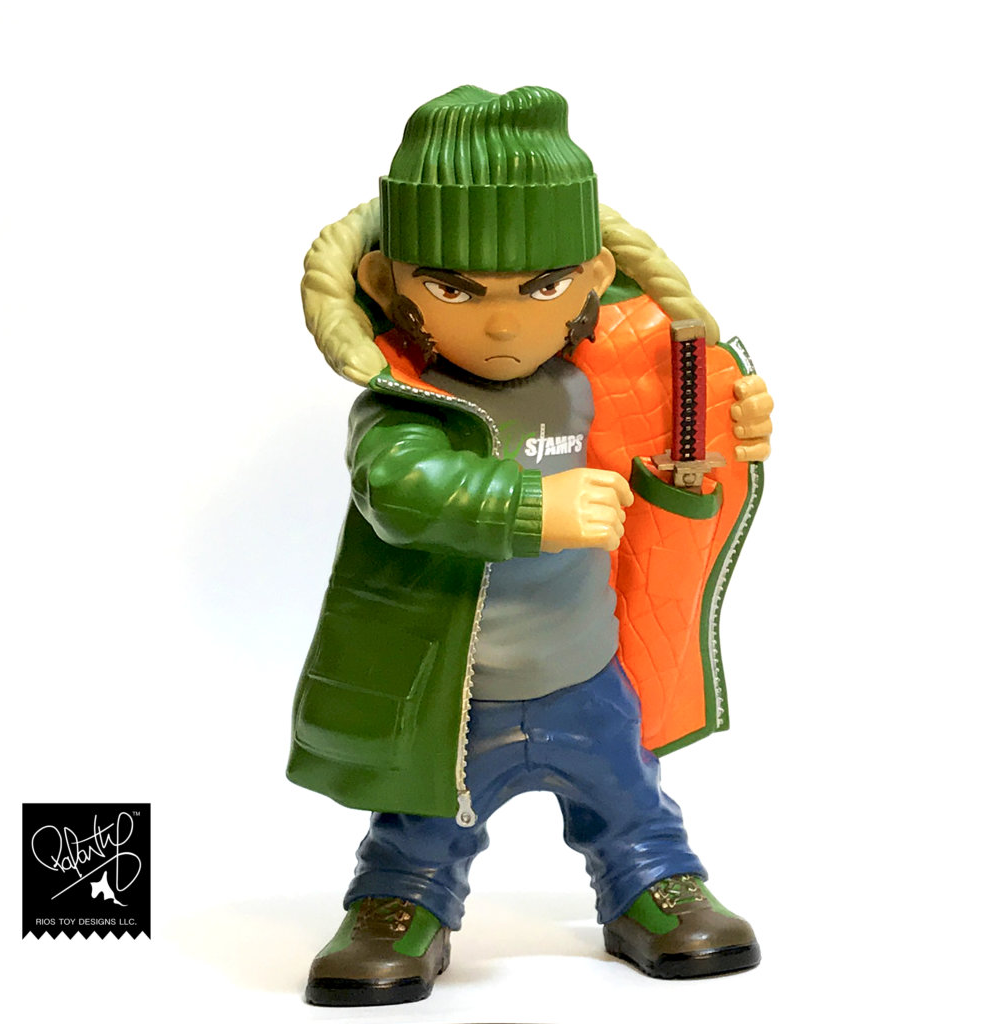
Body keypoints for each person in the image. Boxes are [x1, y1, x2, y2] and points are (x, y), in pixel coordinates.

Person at [288, 85, 773, 1007]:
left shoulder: (594, 380)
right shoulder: (404, 409)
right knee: (421, 828)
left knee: (631, 802)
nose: (504, 324)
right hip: (456, 693)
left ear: (592, 280)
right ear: (389, 284)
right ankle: (401, 899)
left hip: (587, 674)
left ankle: (650, 882)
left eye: (542, 287)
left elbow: (670, 448)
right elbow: (399, 491)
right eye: (454, 289)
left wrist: (726, 427)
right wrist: (530, 508)